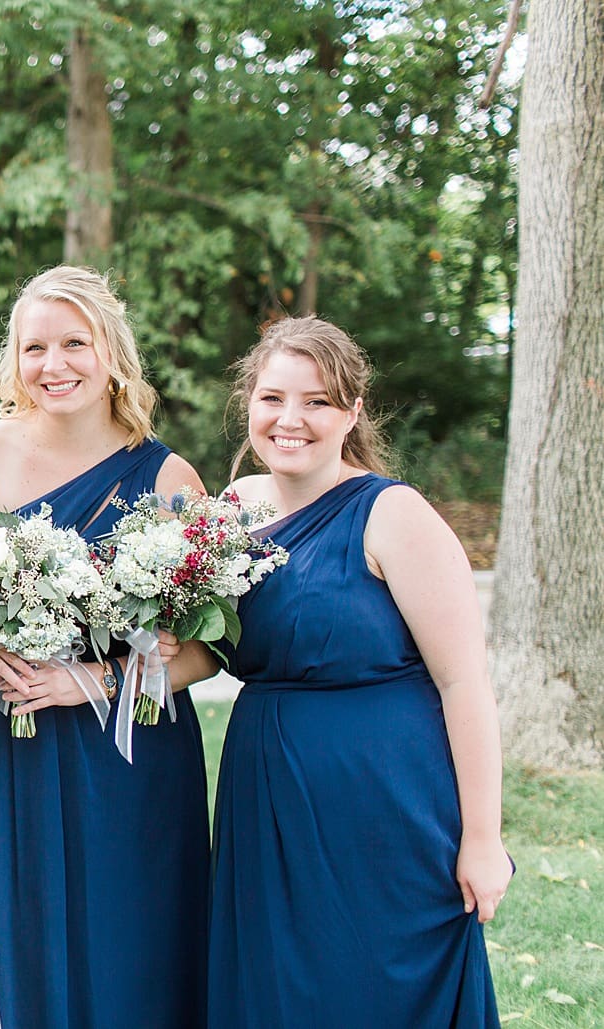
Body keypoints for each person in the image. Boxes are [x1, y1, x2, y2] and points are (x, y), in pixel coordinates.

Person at [208, 316, 509, 1027]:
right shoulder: (229, 511)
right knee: (277, 985)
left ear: (352, 411)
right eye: (272, 397)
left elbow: (463, 683)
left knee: (374, 980)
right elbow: (199, 647)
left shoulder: (392, 514)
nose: (290, 419)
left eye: (316, 401)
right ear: (248, 403)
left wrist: (483, 839)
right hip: (265, 793)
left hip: (382, 799)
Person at [0, 266, 214, 1027]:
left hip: (126, 754)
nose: (52, 364)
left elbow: (204, 654)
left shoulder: (167, 477)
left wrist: (91, 679)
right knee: (11, 930)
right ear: (13, 360)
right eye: (34, 347)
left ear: (111, 354)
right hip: (5, 741)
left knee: (128, 936)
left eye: (73, 343)